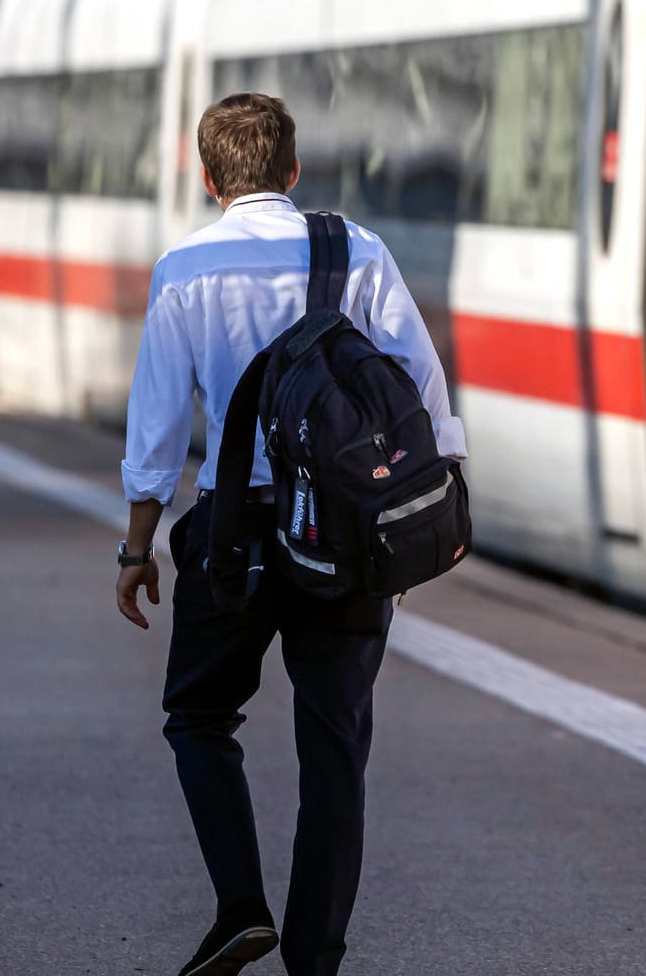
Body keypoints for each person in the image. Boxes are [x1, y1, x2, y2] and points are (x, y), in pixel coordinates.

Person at [114, 92, 465, 976]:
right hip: (344, 540)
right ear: (293, 171)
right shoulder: (360, 253)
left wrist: (136, 545)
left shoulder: (186, 269)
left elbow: (156, 429)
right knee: (335, 747)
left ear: (208, 178)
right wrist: (422, 526)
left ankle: (241, 908)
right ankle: (316, 961)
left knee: (198, 714)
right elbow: (423, 398)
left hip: (235, 533)